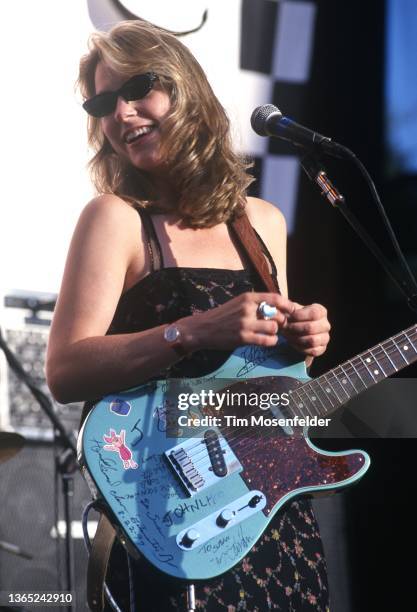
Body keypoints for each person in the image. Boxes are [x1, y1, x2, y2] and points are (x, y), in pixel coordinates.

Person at [46, 19, 331, 611]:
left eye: (138, 89)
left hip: (271, 517)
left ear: (187, 90)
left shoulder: (264, 223)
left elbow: (264, 386)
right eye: (103, 102)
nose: (120, 114)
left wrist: (304, 340)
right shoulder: (115, 218)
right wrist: (196, 330)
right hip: (170, 521)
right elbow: (66, 370)